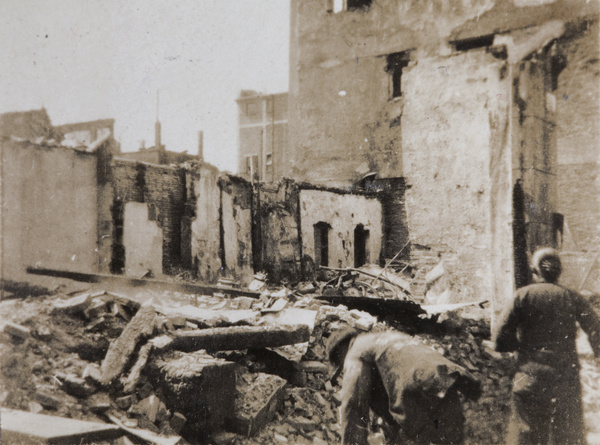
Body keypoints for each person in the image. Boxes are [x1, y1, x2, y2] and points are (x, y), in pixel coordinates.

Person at [494, 247, 600, 444]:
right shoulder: (572, 297)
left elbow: (499, 338)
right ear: (559, 272)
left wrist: (518, 348)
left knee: (527, 435)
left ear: (535, 272)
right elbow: (596, 328)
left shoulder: (522, 296)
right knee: (568, 436)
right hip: (565, 378)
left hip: (528, 376)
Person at [327, 328, 481, 445]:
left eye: (341, 368)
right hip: (444, 382)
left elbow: (354, 404)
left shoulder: (355, 351)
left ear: (341, 351)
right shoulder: (384, 338)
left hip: (418, 388)